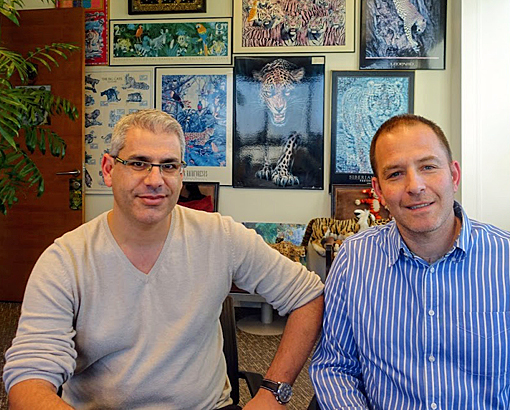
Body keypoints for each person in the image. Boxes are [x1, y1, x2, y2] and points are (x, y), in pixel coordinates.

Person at [3, 109, 324, 410]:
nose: (155, 180)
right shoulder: (66, 260)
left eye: (169, 165)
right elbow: (29, 379)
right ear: (108, 170)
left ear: (181, 174)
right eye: (138, 163)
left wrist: (273, 393)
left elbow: (308, 296)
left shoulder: (220, 236)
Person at [309, 114, 510, 409]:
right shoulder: (354, 261)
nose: (415, 186)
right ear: (379, 191)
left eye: (428, 167)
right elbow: (335, 367)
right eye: (395, 174)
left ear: (454, 176)